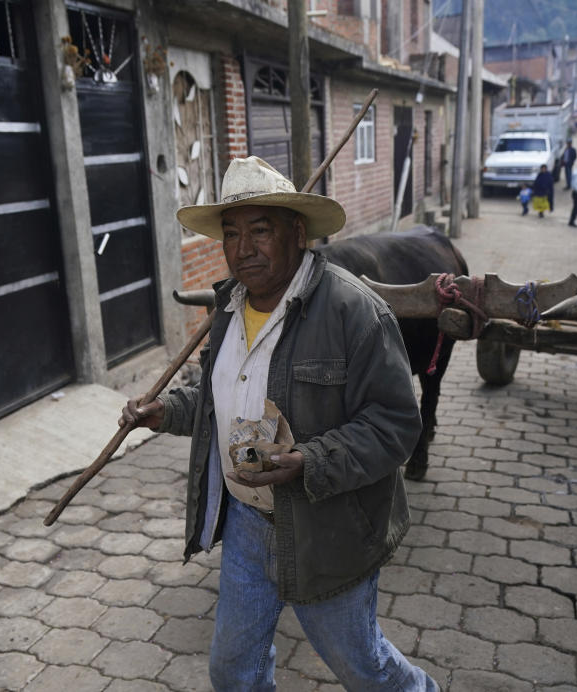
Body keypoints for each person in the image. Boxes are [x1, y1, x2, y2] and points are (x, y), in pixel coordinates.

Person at [120, 156, 437, 692]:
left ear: (297, 233)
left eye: (260, 231)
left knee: (365, 668)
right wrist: (167, 412)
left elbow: (395, 424)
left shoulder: (353, 311)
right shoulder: (227, 309)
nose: (244, 249)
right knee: (233, 670)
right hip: (246, 523)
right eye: (232, 234)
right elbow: (221, 399)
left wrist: (310, 461)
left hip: (327, 529)